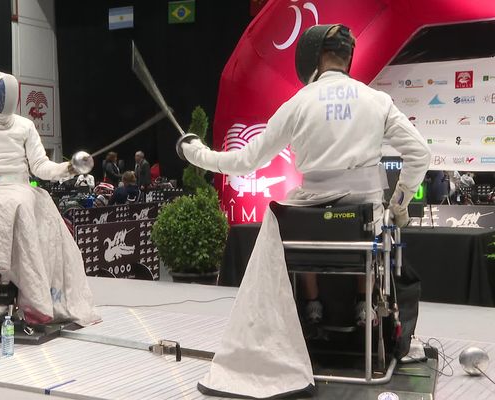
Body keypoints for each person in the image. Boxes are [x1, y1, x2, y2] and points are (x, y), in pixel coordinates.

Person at [179, 24, 430, 397]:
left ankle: (311, 311)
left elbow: (246, 160)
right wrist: (399, 205)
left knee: (298, 222)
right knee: (370, 229)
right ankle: (365, 310)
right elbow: (419, 154)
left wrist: (195, 152)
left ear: (312, 55)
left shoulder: (299, 102)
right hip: (362, 218)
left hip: (308, 217)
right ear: (348, 58)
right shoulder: (375, 100)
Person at [0, 71, 99, 326]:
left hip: (18, 188)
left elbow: (40, 167)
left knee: (17, 207)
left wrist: (67, 169)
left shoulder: (25, 126)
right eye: (1, 97)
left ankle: (3, 282)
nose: (6, 103)